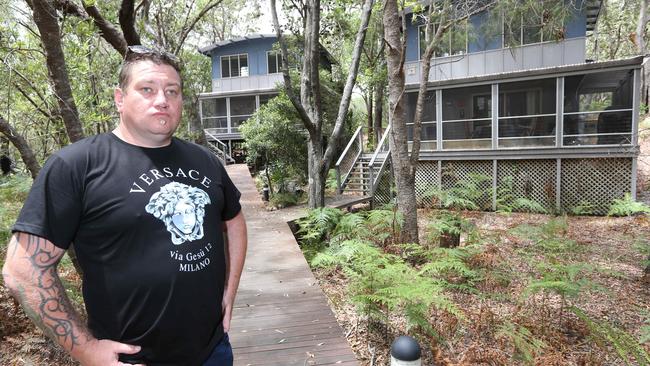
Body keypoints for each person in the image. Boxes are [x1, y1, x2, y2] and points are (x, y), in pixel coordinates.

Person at [2, 45, 247, 366]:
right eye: (147, 89)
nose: (162, 99)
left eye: (172, 91)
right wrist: (86, 350)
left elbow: (234, 220)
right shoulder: (77, 165)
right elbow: (23, 271)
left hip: (212, 351)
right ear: (120, 99)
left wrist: (230, 292)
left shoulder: (204, 160)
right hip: (130, 360)